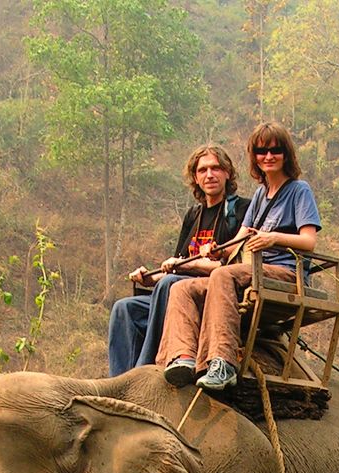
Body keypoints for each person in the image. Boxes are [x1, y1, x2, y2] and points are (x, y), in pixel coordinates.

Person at [157, 121, 322, 391]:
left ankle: (223, 361)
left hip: (285, 274)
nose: (268, 157)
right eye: (261, 151)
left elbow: (309, 240)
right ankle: (183, 357)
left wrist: (273, 238)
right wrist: (217, 249)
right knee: (183, 288)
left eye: (275, 150)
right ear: (254, 157)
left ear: (286, 154)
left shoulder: (298, 190)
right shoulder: (259, 195)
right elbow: (238, 242)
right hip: (251, 272)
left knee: (223, 274)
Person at [107, 145, 249, 376]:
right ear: (195, 177)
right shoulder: (193, 215)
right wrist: (148, 277)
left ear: (228, 173)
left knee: (169, 284)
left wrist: (183, 268)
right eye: (203, 170)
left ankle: (145, 371)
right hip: (177, 289)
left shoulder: (241, 209)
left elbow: (234, 267)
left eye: (216, 168)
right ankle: (119, 379)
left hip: (212, 295)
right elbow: (179, 263)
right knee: (124, 308)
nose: (209, 174)